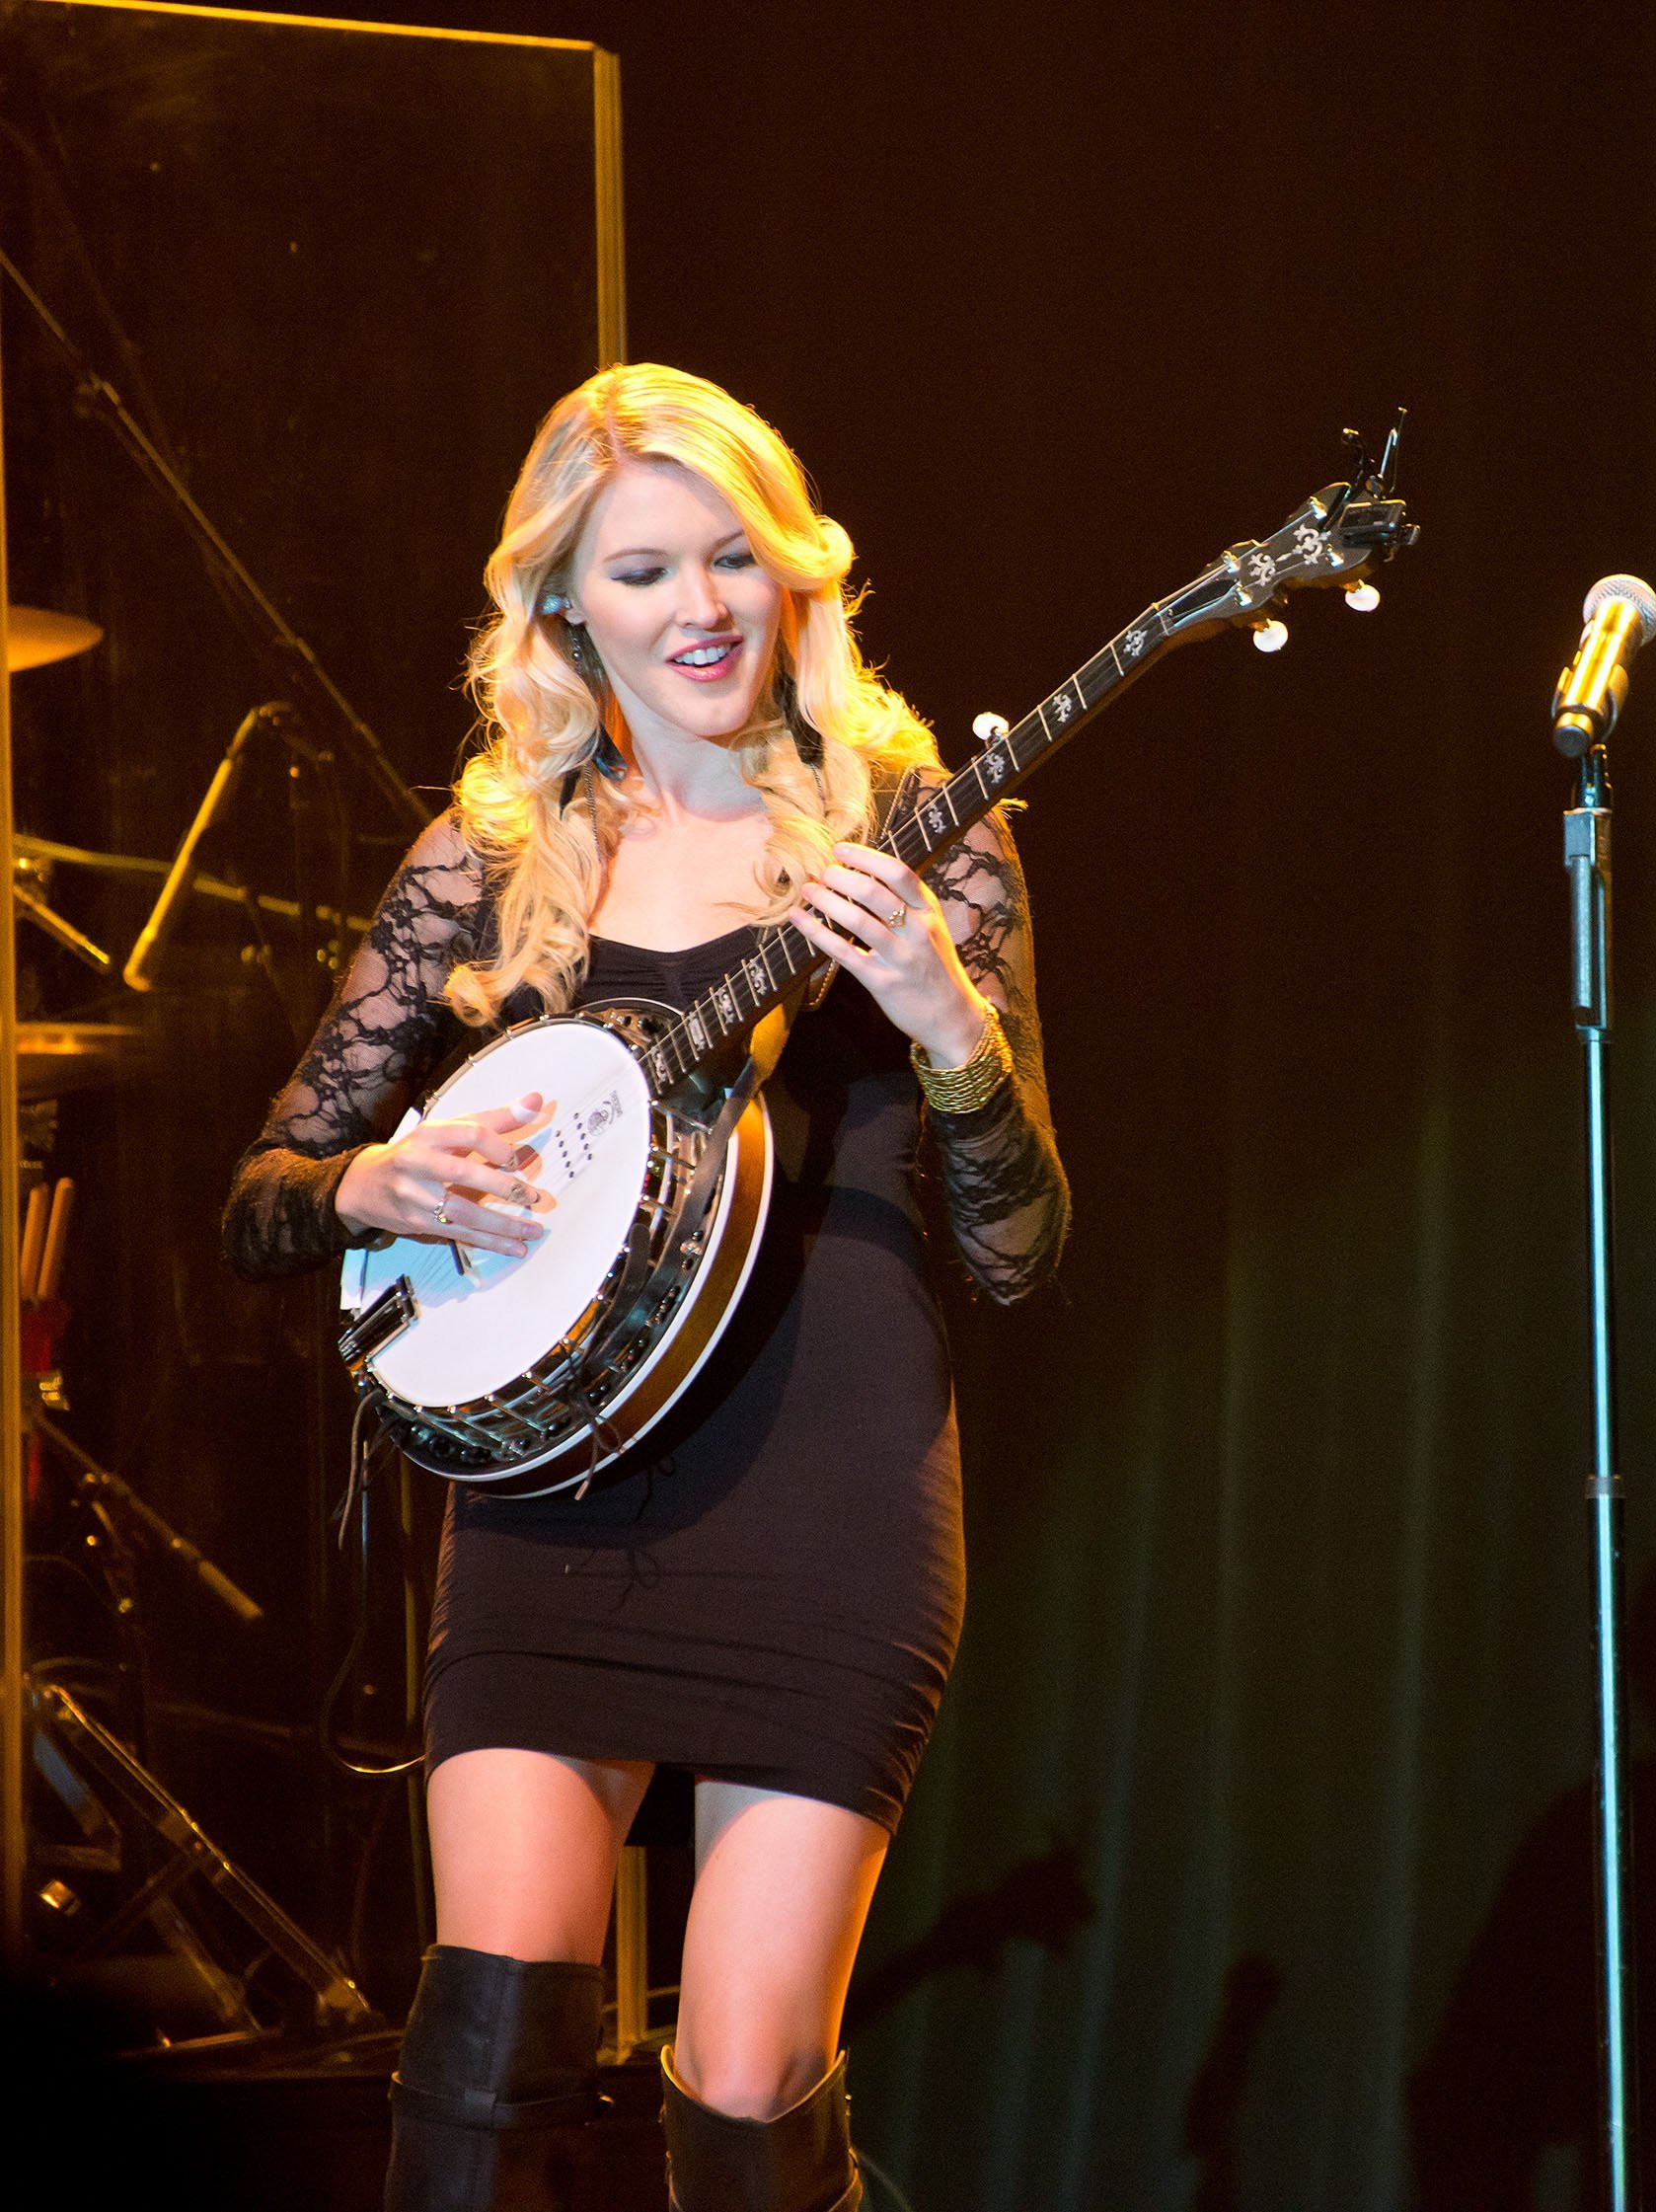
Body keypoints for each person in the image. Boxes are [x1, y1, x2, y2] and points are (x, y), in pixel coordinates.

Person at [224, 362, 1068, 2211]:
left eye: (733, 560)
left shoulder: (914, 825)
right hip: (552, 1509)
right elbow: (262, 1197)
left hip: (828, 1494)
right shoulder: (494, 858)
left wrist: (943, 1020)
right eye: (641, 571)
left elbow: (1015, 1250)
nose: (699, 608)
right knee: (478, 2065)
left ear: (798, 578)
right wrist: (377, 1174)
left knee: (748, 2101)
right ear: (558, 609)